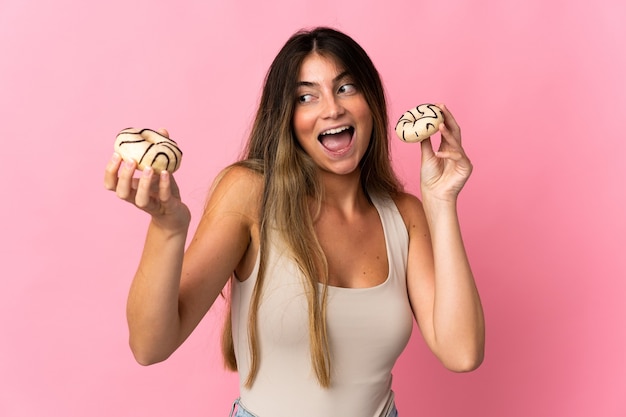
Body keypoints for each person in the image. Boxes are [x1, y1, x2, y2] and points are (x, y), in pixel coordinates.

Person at [104, 27, 485, 417]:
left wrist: (441, 201)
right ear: (286, 117)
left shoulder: (404, 215)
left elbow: (462, 351)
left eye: (346, 88)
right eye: (306, 96)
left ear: (370, 101)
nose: (331, 109)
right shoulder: (250, 195)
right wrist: (168, 228)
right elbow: (150, 346)